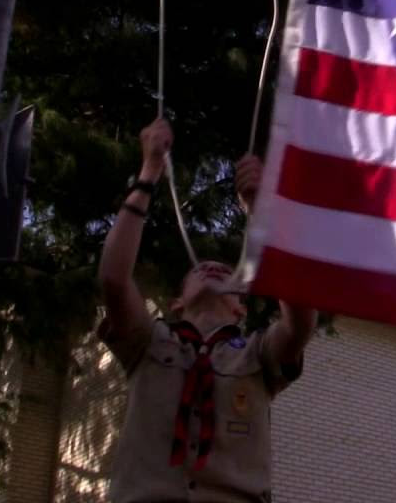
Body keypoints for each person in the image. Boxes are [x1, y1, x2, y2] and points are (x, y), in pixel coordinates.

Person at [97, 117, 316, 502]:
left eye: (226, 271)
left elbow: (300, 322)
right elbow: (114, 280)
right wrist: (148, 171)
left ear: (241, 309)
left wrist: (262, 213)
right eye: (199, 269)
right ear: (176, 302)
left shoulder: (258, 355)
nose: (213, 266)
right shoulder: (149, 342)